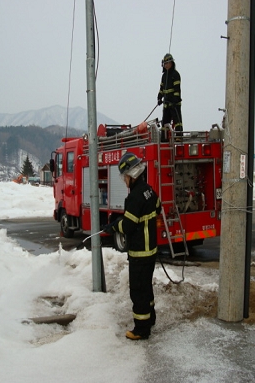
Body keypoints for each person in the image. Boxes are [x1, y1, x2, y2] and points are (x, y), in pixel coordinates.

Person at [105, 152, 161, 340]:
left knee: (138, 291)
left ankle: (141, 329)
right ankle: (150, 319)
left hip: (140, 253)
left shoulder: (134, 197)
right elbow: (158, 207)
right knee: (146, 288)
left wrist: (114, 227)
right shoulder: (149, 191)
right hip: (151, 251)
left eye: (124, 177)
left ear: (131, 174)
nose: (124, 181)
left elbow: (128, 226)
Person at [158, 53, 183, 132]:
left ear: (171, 63)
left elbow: (177, 89)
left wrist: (175, 100)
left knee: (177, 122)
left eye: (167, 63)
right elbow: (161, 89)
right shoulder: (164, 76)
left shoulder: (175, 75)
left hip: (174, 103)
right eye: (164, 64)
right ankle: (164, 137)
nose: (165, 65)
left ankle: (179, 136)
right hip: (166, 104)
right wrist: (159, 97)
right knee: (165, 123)